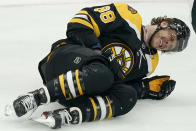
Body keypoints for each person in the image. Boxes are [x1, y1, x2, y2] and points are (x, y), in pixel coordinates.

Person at [5, 3, 190, 129]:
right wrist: (97, 51)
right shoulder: (129, 16)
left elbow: (119, 84)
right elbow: (79, 21)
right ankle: (36, 97)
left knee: (128, 96)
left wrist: (144, 88)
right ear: (164, 24)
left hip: (79, 90)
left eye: (172, 46)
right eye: (171, 37)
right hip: (63, 60)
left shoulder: (151, 63)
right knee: (104, 72)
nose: (167, 44)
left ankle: (72, 114)